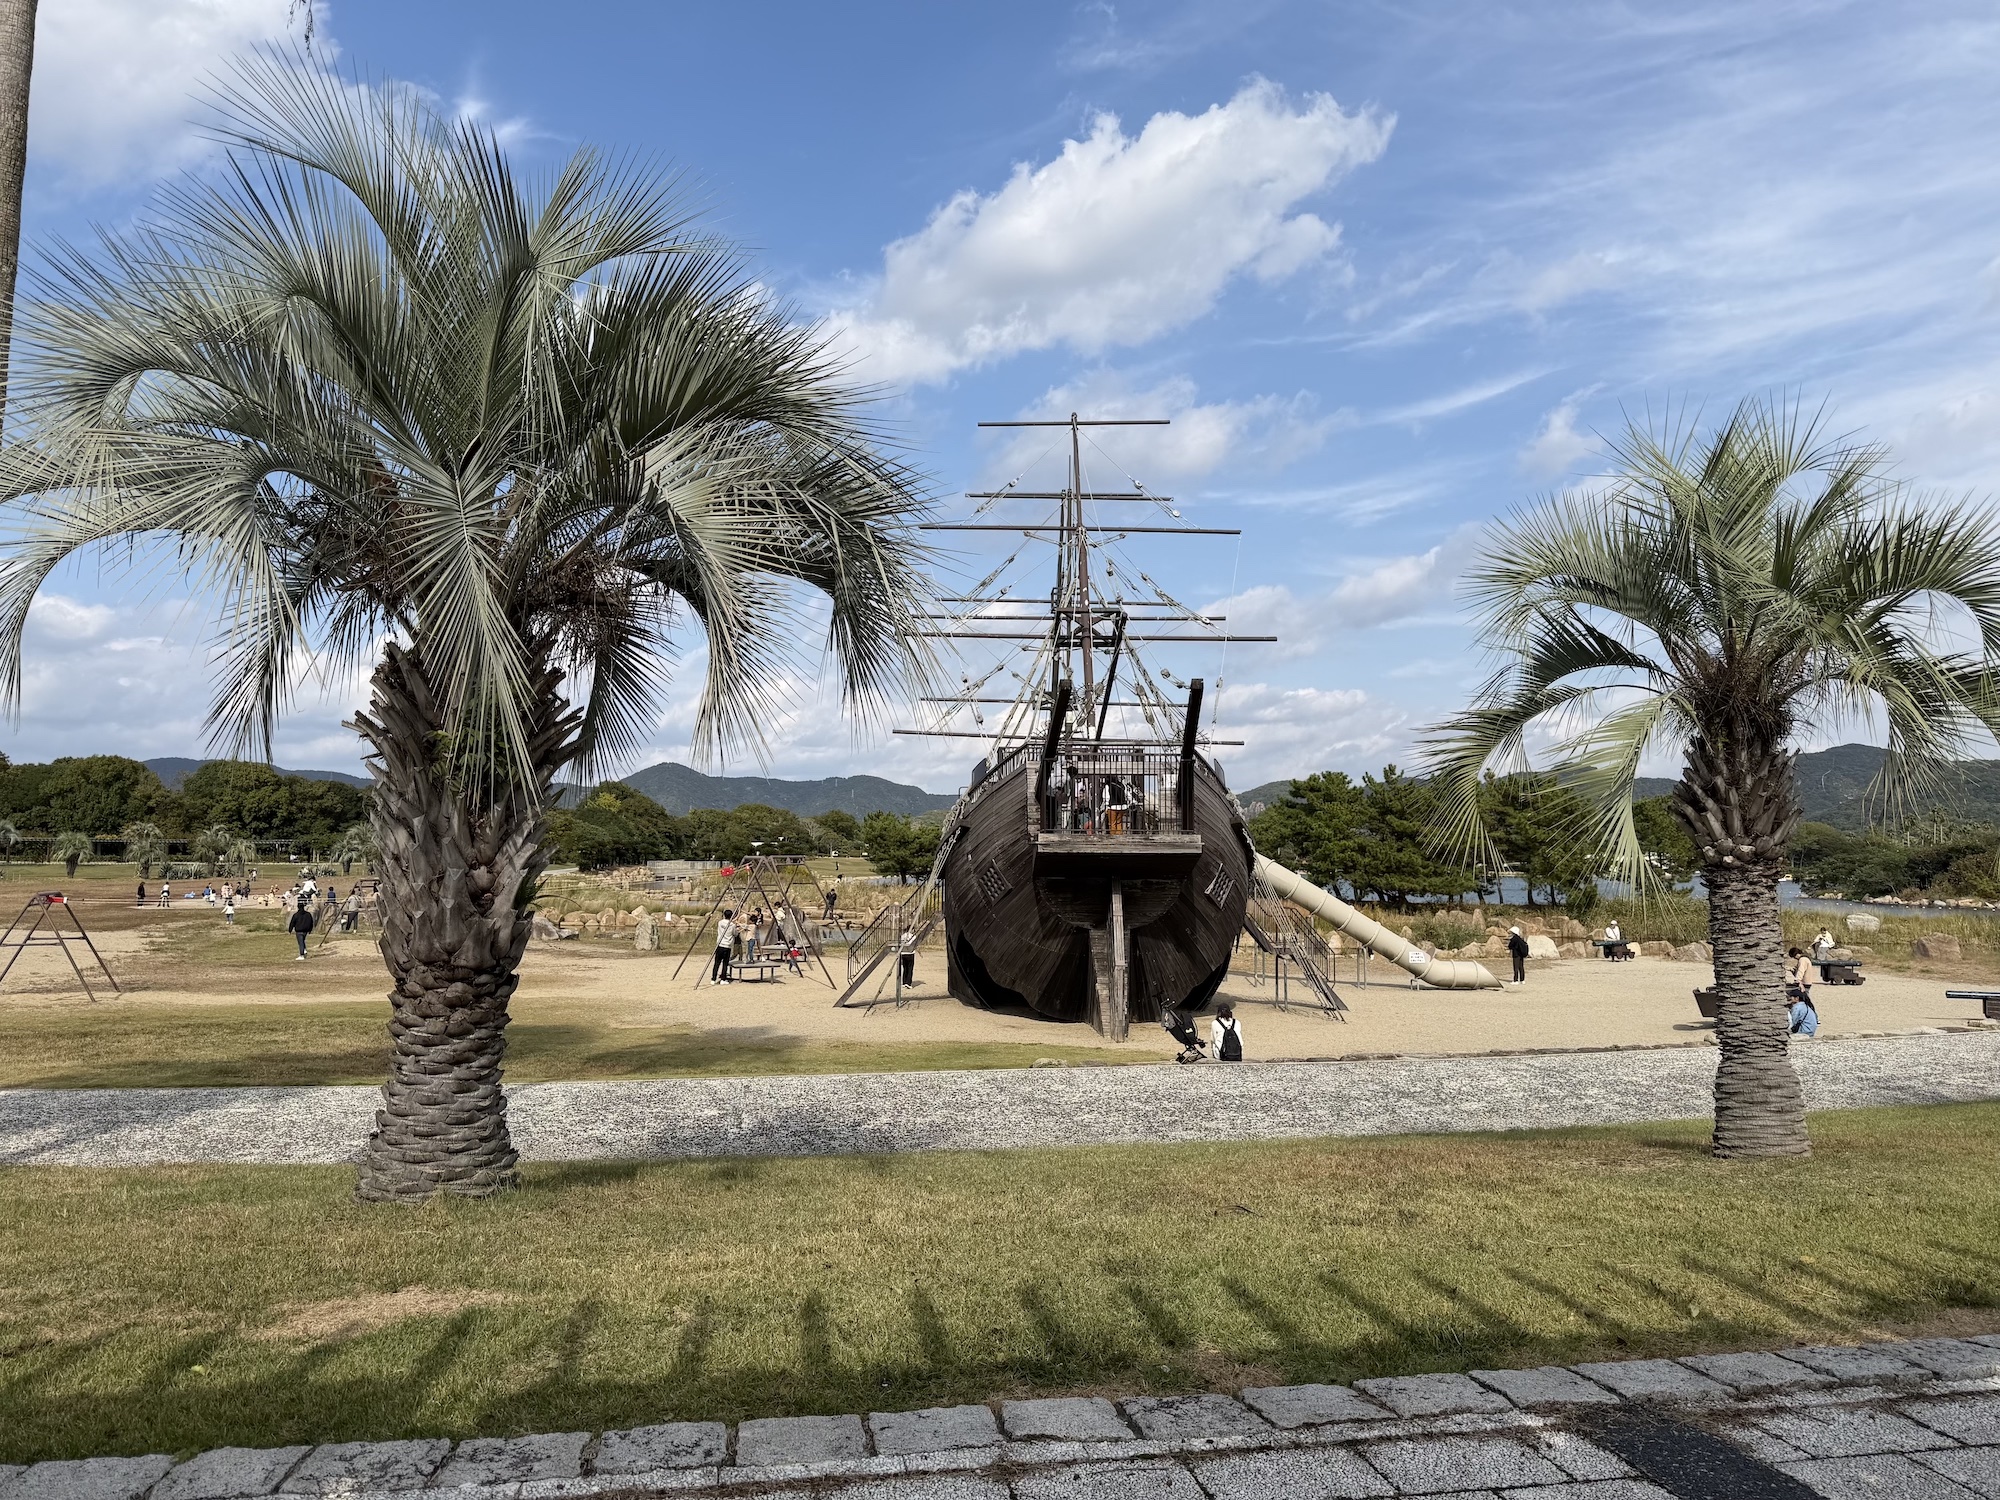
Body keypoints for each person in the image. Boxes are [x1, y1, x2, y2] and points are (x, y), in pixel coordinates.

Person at [712, 908, 736, 984]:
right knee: (725, 963)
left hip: (720, 944)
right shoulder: (732, 925)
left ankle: (713, 979)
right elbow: (735, 933)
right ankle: (723, 979)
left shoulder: (720, 923)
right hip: (727, 945)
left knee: (717, 963)